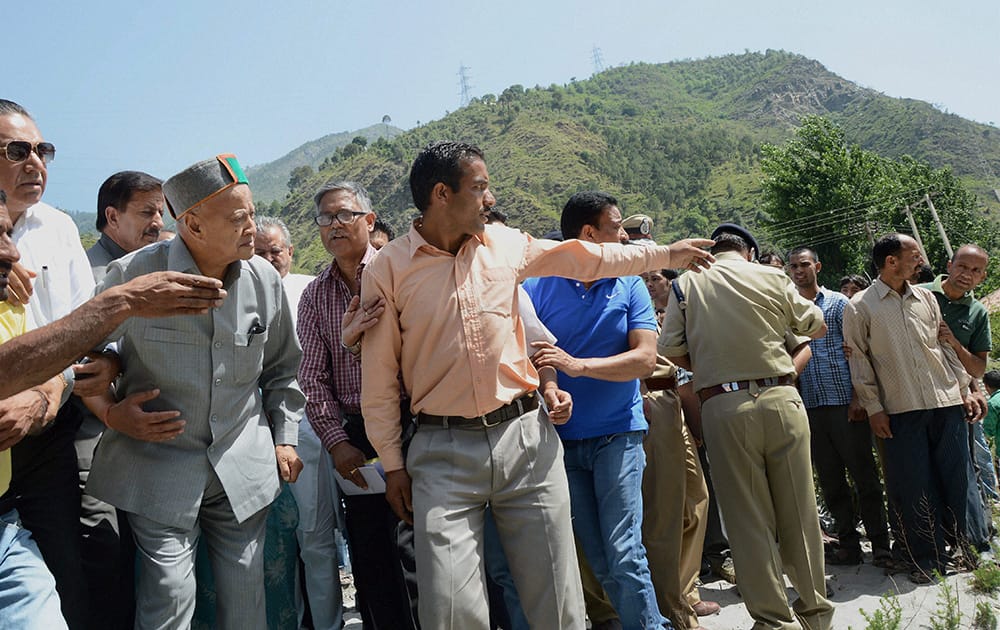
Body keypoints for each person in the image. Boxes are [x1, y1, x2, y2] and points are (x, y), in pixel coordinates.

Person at [359, 141, 714, 628]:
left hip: (525, 440)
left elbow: (581, 257)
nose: (490, 198)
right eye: (480, 187)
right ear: (442, 194)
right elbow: (377, 379)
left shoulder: (505, 246)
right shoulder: (388, 270)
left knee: (557, 598)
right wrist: (393, 465)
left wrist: (664, 253)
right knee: (451, 607)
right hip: (441, 453)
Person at [83, 154, 304, 629]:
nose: (252, 227)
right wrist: (111, 411)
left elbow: (284, 371)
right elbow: (85, 359)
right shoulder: (132, 276)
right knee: (168, 598)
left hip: (241, 466)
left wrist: (284, 438)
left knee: (247, 599)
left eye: (252, 211)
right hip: (159, 465)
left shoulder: (264, 281)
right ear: (194, 225)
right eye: (238, 217)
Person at [0, 189, 227, 629]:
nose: (12, 252)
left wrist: (44, 392)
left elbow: (52, 360)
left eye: (10, 233)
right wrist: (120, 303)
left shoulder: (12, 304)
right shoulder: (119, 278)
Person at [660, 224, 834, 630]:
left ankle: (774, 621)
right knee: (800, 511)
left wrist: (709, 368)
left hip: (723, 403)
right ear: (749, 253)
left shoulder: (685, 285)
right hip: (781, 397)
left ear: (713, 251)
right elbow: (815, 325)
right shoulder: (773, 275)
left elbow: (669, 350)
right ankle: (816, 615)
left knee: (746, 516)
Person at [523, 195, 667, 629]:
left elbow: (645, 360)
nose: (624, 236)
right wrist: (551, 389)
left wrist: (578, 366)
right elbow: (537, 354)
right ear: (589, 235)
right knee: (601, 561)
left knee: (625, 554)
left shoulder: (630, 285)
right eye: (617, 227)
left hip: (618, 436)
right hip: (563, 446)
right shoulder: (537, 286)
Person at [296, 182, 422, 630]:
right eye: (325, 219)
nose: (334, 226)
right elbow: (311, 378)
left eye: (344, 215)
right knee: (369, 554)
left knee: (418, 545)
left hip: (414, 425)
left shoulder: (401, 273)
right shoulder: (313, 296)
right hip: (355, 438)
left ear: (369, 221)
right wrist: (335, 442)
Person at [0, 98, 97, 628]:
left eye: (43, 150)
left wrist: (44, 397)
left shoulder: (57, 228)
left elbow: (84, 331)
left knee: (60, 576)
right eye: (18, 150)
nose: (35, 162)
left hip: (44, 435)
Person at [843, 233, 985, 583]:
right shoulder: (860, 306)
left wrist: (965, 387)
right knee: (914, 486)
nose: (920, 262)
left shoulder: (926, 299)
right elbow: (859, 362)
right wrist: (874, 408)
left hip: (946, 403)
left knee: (956, 480)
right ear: (892, 262)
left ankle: (964, 551)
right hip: (900, 410)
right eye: (914, 256)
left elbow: (945, 349)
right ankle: (927, 559)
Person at [79, 171, 169, 629]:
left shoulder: (164, 266)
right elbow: (85, 367)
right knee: (105, 548)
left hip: (157, 441)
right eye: (146, 212)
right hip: (93, 437)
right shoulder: (87, 274)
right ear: (112, 216)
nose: (158, 221)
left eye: (161, 210)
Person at [254, 215, 344, 629]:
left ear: (290, 252)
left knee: (316, 540)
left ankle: (327, 623)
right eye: (259, 252)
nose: (269, 259)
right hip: (253, 436)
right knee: (267, 548)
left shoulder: (311, 290)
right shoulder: (236, 293)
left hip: (309, 431)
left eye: (275, 251)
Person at [786, 246, 892, 567]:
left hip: (846, 404)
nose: (798, 271)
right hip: (810, 407)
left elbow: (858, 353)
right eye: (793, 266)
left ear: (817, 265)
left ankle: (881, 544)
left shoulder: (839, 303)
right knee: (831, 480)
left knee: (864, 475)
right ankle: (848, 544)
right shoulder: (787, 310)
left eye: (804, 264)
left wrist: (860, 397)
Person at [917, 245, 998, 531]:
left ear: (982, 277)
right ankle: (925, 539)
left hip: (954, 403)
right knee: (917, 473)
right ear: (950, 265)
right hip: (910, 400)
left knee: (961, 472)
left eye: (976, 271)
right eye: (963, 267)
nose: (967, 275)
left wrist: (954, 342)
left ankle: (971, 536)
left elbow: (977, 368)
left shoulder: (977, 313)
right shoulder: (920, 293)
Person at [88, 171, 164, 282]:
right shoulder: (89, 277)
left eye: (161, 214)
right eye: (147, 212)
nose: (160, 223)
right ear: (113, 217)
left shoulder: (158, 268)